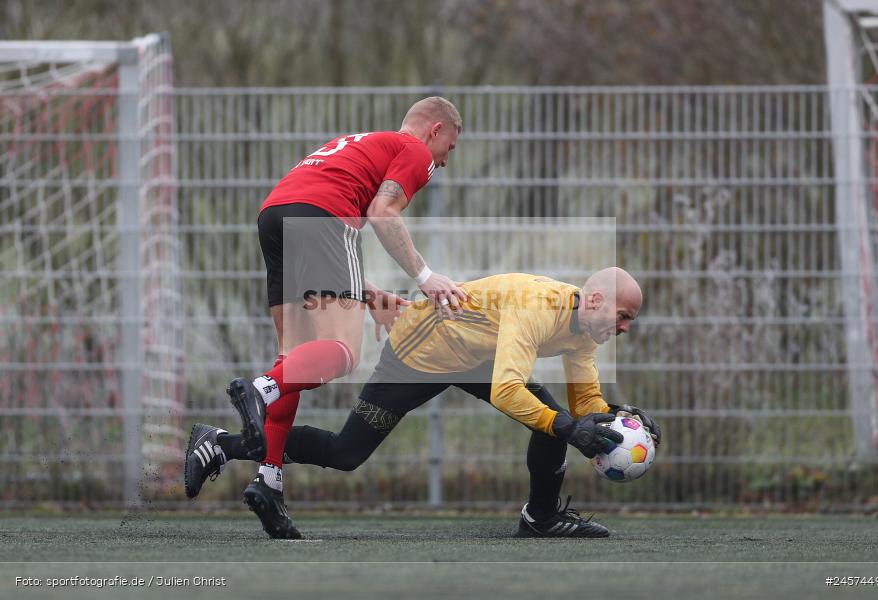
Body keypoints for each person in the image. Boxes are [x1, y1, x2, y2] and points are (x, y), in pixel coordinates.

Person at [186, 268, 661, 538]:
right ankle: (222, 444)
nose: (624, 328)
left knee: (553, 421)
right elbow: (507, 391)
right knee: (346, 453)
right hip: (418, 354)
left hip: (473, 357)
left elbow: (586, 402)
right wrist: (569, 427)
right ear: (595, 300)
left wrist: (615, 420)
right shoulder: (538, 308)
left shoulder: (587, 329)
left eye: (629, 321)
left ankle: (541, 518)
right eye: (623, 316)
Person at [192, 97, 468, 538]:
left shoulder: (360, 143)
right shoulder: (414, 149)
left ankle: (269, 481)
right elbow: (382, 213)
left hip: (274, 215)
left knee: (294, 359)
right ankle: (260, 390)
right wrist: (426, 277)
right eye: (449, 147)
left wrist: (366, 293)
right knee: (342, 354)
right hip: (324, 216)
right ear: (435, 129)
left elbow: (320, 221)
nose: (445, 161)